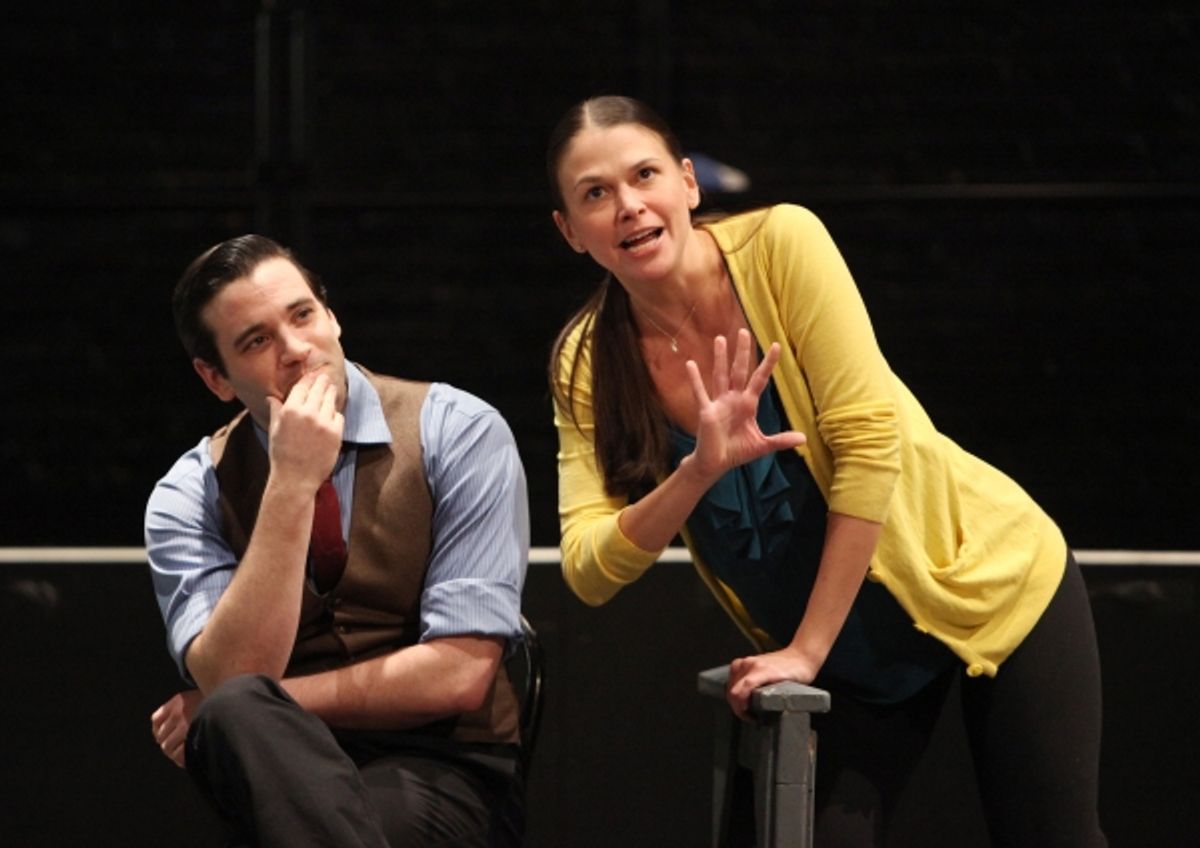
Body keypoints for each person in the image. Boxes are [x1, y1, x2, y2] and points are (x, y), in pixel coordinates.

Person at [546, 95, 1106, 846]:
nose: (628, 205)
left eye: (644, 175)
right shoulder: (585, 360)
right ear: (570, 232)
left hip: (987, 580)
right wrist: (696, 472)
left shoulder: (782, 244)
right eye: (595, 194)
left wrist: (806, 651)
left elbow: (870, 443)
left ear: (688, 183)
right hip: (847, 661)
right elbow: (588, 569)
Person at [146, 234, 530, 847]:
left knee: (237, 714)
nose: (297, 351)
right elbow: (237, 673)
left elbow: (458, 674)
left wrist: (263, 705)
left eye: (302, 316)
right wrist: (292, 484)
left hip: (445, 763)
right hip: (276, 774)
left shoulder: (458, 432)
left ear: (332, 316)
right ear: (215, 378)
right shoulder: (188, 494)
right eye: (256, 341)